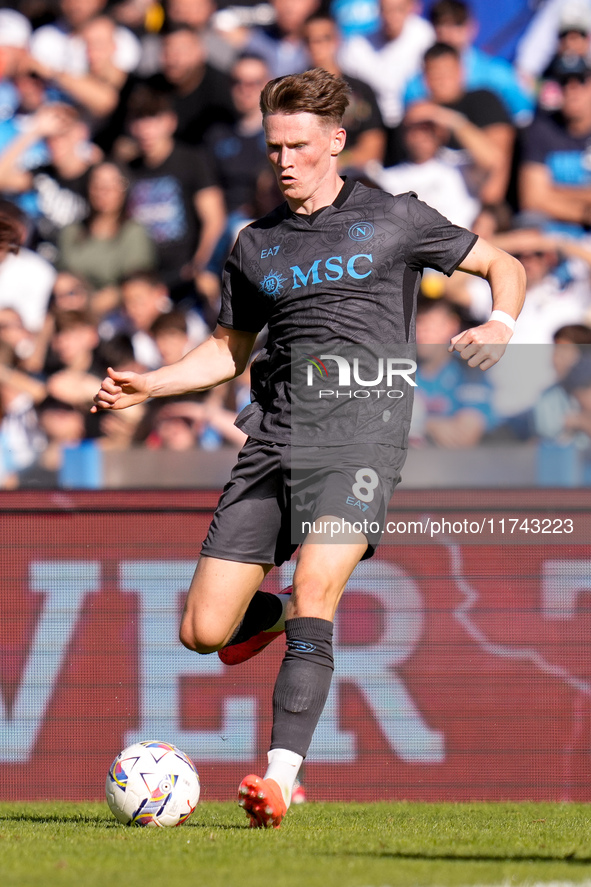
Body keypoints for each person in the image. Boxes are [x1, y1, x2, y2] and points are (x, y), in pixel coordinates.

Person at [92, 67, 525, 829]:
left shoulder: (396, 217)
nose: (284, 160)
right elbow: (228, 352)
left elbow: (504, 264)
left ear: (335, 141)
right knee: (202, 632)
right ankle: (263, 619)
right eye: (273, 147)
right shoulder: (253, 245)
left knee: (317, 589)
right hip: (273, 441)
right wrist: (151, 385)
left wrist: (500, 323)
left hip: (362, 437)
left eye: (298, 145)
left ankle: (279, 777)